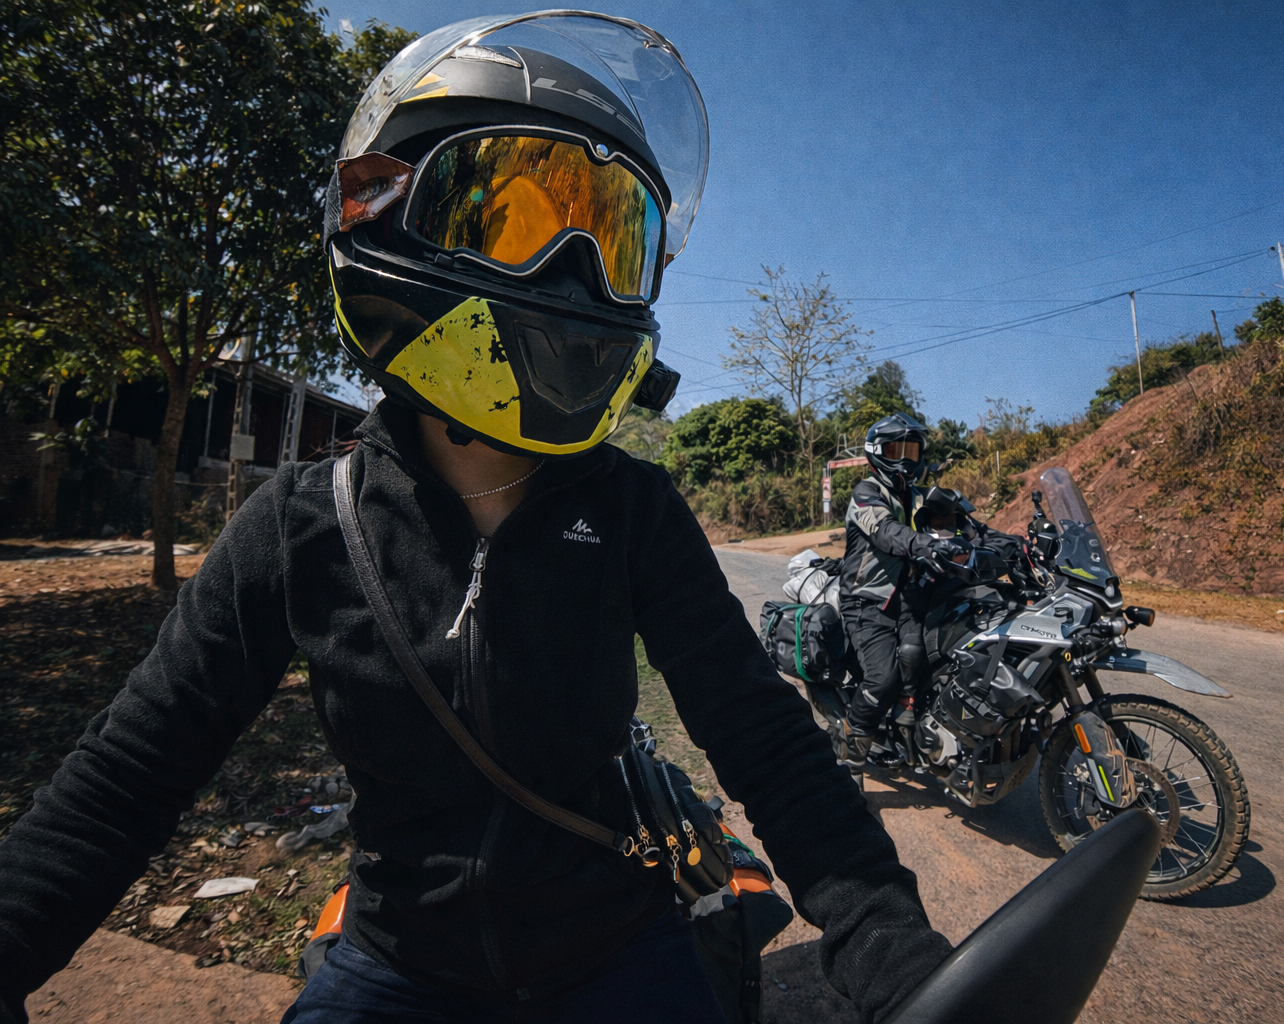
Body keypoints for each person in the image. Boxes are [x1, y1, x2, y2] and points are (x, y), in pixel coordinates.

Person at [0, 14, 952, 1024]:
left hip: (616, 949)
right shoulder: (300, 526)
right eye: (514, 220)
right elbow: (128, 775)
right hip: (399, 964)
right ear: (383, 213)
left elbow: (765, 738)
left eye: (609, 237)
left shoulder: (633, 510)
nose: (572, 271)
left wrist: (887, 942)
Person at [838, 414, 968, 769]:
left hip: (910, 599)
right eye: (898, 450)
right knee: (882, 681)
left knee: (926, 659)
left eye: (913, 450)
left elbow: (967, 523)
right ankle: (847, 757)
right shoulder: (866, 494)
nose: (907, 459)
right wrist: (927, 544)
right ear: (878, 452)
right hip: (867, 602)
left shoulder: (919, 496)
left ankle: (913, 735)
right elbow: (886, 533)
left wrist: (1013, 544)